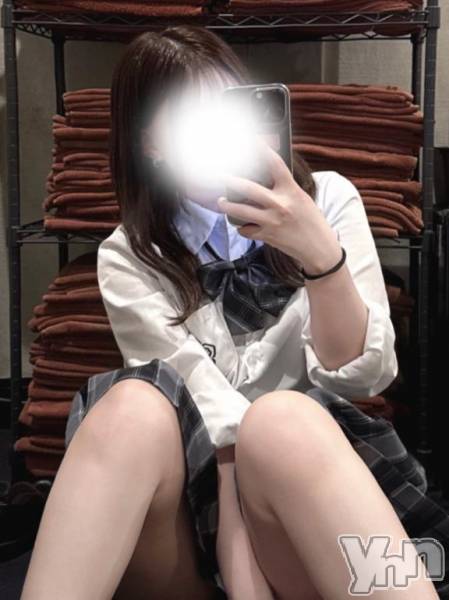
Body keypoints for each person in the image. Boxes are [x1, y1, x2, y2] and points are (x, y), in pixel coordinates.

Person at [21, 25, 448, 600]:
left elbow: (367, 376)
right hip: (192, 509)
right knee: (129, 408)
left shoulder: (328, 200)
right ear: (151, 145)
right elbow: (205, 403)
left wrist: (319, 256)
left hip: (308, 489)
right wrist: (233, 540)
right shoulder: (130, 254)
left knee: (280, 421)